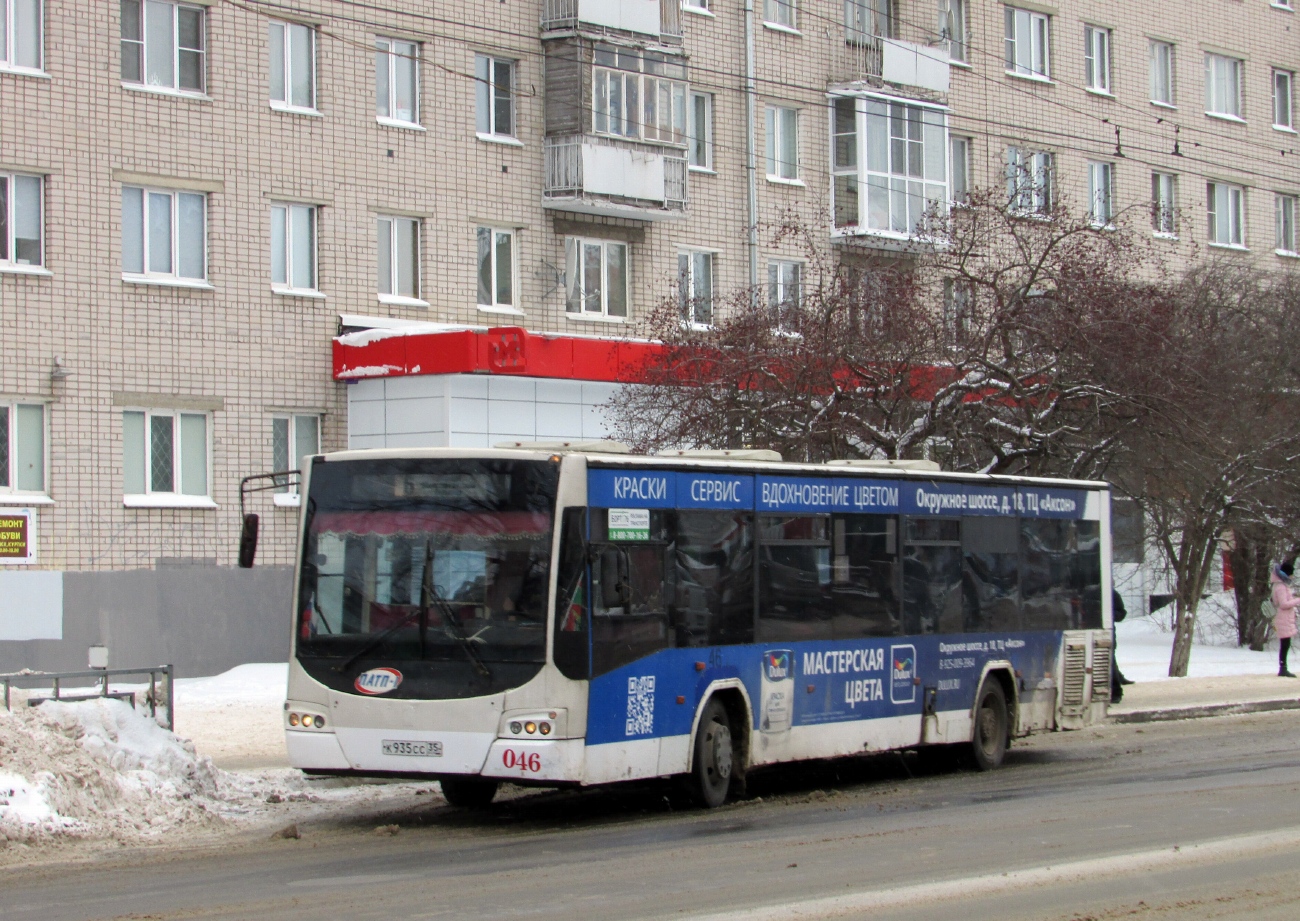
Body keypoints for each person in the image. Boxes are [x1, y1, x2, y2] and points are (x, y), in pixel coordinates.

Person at [1272, 561, 1300, 677]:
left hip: (1285, 618)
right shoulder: (1281, 587)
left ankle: (1283, 667)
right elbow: (1283, 604)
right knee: (1285, 643)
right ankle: (1283, 668)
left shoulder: (1281, 585)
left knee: (1286, 643)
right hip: (1283, 618)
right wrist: (1298, 601)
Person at [1111, 589, 1131, 701]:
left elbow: (1121, 614)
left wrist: (1108, 614)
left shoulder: (1111, 593)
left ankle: (1116, 691)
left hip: (1106, 631)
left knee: (1108, 659)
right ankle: (1118, 680)